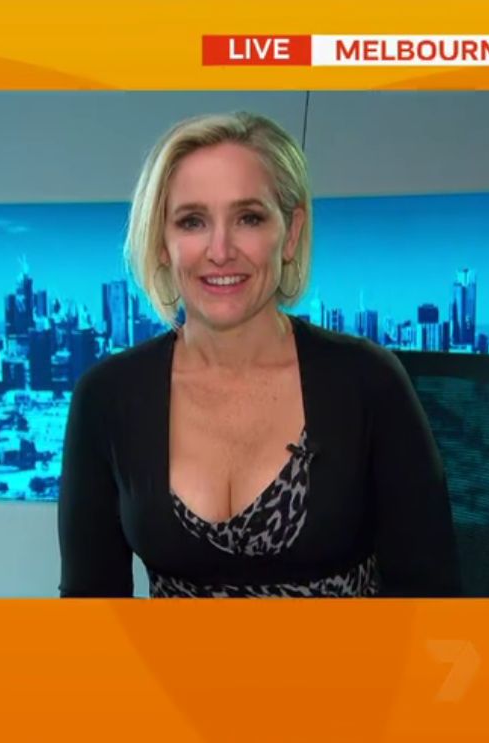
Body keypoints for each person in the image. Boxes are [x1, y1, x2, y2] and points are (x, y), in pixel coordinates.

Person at [58, 112, 461, 598]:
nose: (221, 250)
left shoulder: (368, 381)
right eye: (192, 221)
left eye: (248, 217)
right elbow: (91, 603)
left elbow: (431, 598)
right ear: (163, 242)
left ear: (290, 234)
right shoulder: (107, 395)